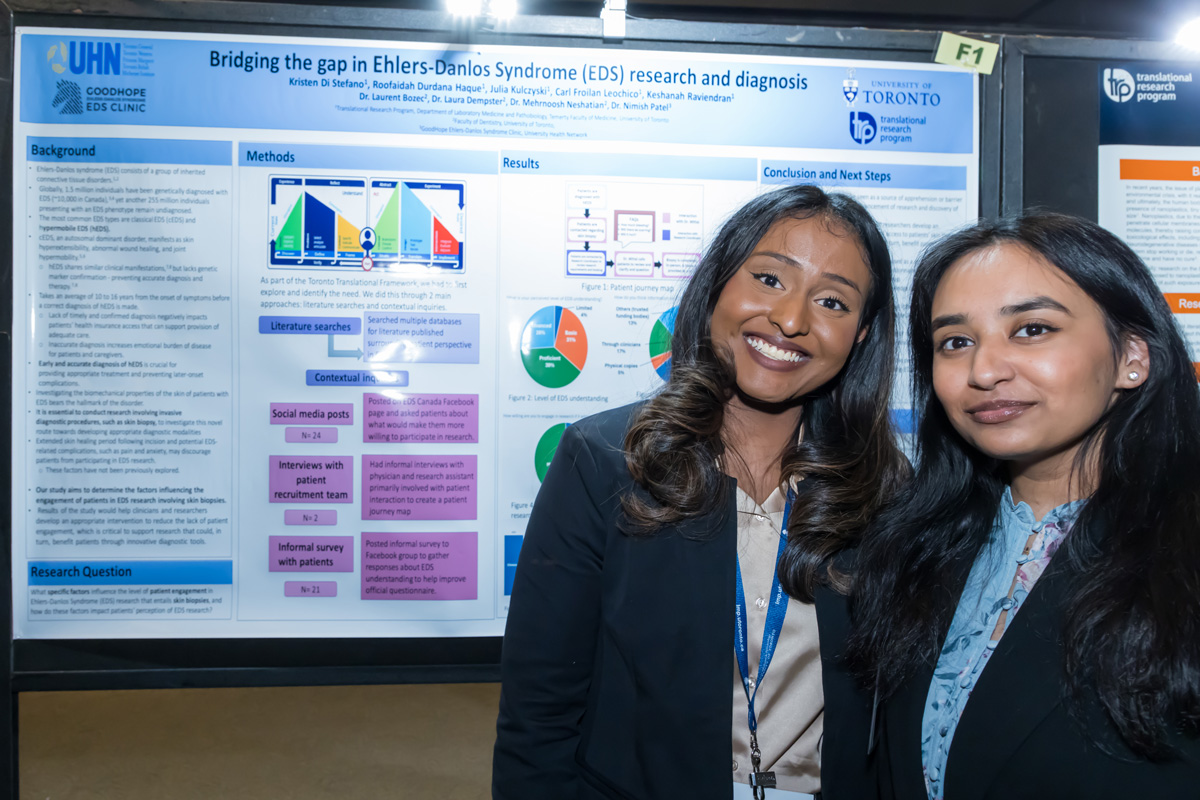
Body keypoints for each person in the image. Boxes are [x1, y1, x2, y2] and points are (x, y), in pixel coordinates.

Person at [493, 184, 907, 800]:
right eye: (769, 279)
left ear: (863, 335)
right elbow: (539, 716)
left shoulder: (885, 492)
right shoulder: (606, 462)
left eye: (832, 301)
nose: (791, 319)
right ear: (716, 284)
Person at [848, 212, 1200, 799]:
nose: (984, 371)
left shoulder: (1184, 555)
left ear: (1132, 356)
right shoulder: (908, 547)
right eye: (955, 342)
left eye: (1032, 329)